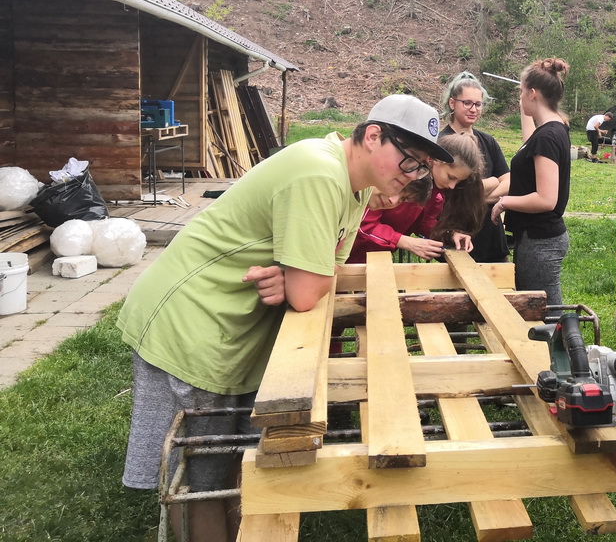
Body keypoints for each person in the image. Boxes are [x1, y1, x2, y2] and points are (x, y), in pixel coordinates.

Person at [117, 94, 454, 542]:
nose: (412, 175)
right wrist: (301, 276)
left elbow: (324, 274)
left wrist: (299, 274)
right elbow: (307, 292)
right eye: (410, 160)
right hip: (192, 322)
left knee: (237, 463)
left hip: (231, 326)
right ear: (374, 136)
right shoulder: (319, 172)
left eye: (422, 168)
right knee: (202, 478)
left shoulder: (355, 189)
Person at [491, 58, 571, 305]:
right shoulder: (553, 129)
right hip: (539, 237)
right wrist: (524, 111)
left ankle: (564, 334)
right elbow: (530, 145)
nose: (520, 96)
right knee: (541, 308)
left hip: (540, 241)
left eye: (521, 91)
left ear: (533, 94)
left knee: (544, 310)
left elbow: (546, 199)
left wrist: (504, 202)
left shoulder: (547, 136)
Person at [346, 132, 485, 263]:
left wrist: (449, 234)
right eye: (451, 177)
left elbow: (424, 224)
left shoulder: (436, 194)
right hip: (348, 248)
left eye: (458, 182)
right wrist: (404, 241)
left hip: (374, 258)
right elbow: (363, 224)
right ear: (436, 161)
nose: (452, 186)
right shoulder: (403, 176)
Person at [439, 72, 512, 262]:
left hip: (492, 239)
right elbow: (445, 194)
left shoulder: (488, 141)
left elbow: (509, 182)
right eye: (467, 103)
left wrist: (470, 198)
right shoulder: (442, 144)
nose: (473, 109)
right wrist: (492, 183)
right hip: (455, 240)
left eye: (478, 104)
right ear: (452, 103)